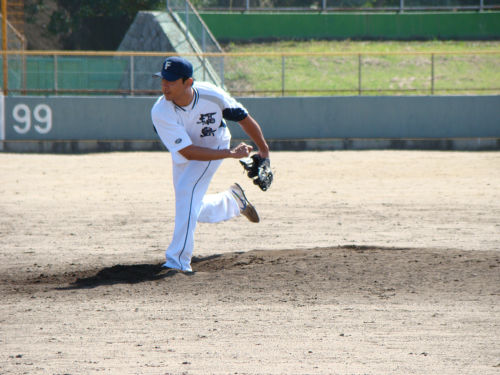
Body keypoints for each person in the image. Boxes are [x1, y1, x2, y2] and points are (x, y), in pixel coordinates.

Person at [151, 56, 270, 273]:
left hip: (214, 145)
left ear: (188, 82)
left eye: (171, 80)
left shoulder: (212, 96)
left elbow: (244, 119)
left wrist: (264, 150)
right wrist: (231, 154)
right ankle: (232, 202)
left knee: (187, 193)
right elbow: (187, 151)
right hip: (186, 153)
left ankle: (178, 261)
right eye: (163, 79)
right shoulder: (161, 111)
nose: (164, 85)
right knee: (190, 205)